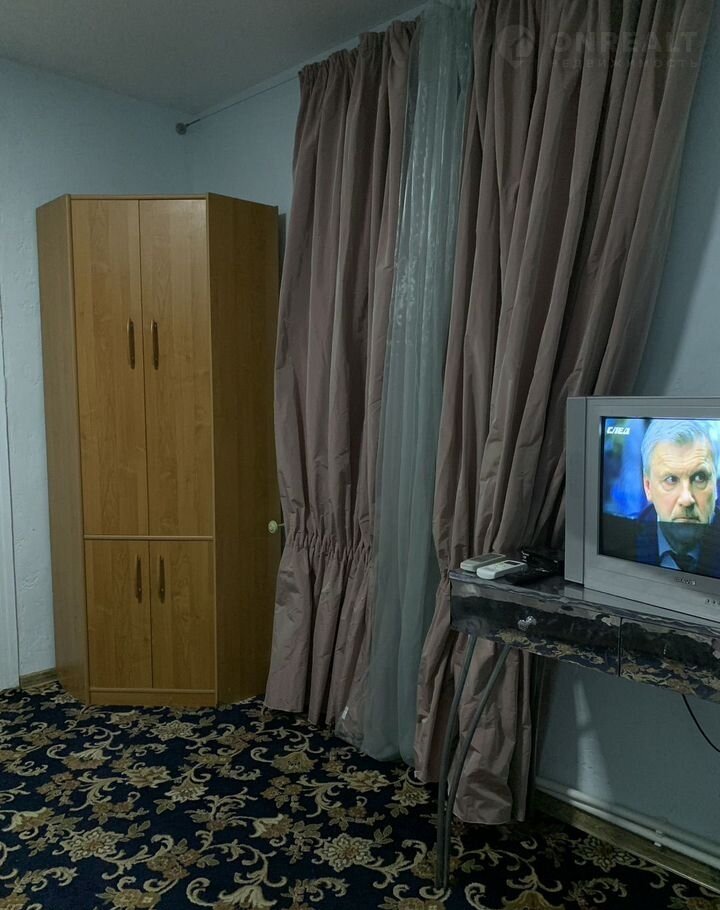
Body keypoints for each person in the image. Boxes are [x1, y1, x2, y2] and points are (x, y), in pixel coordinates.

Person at [636, 419, 720, 573]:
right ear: (648, 487)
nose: (687, 499)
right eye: (671, 479)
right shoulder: (623, 540)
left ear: (715, 485)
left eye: (699, 478)